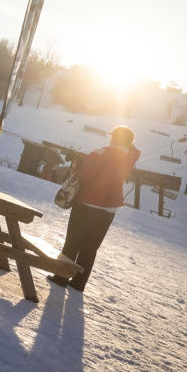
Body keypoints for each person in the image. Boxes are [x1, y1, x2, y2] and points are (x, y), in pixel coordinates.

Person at [49, 125, 140, 292]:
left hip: (87, 203)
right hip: (110, 208)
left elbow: (84, 177)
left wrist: (77, 167)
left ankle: (61, 277)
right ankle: (78, 283)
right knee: (90, 247)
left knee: (73, 241)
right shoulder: (129, 157)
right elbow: (135, 151)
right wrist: (130, 144)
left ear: (112, 138)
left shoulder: (99, 154)